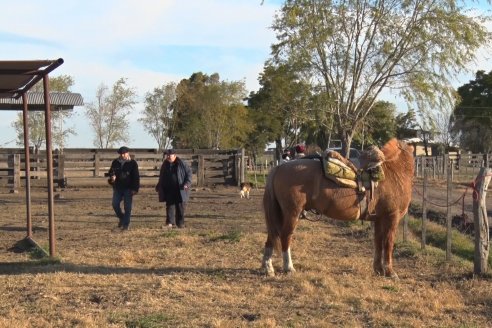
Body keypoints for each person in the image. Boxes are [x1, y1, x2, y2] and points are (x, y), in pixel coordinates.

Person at [155, 149, 192, 229]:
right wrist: (159, 185)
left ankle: (180, 224)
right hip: (169, 188)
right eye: (167, 155)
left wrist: (187, 183)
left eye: (169, 155)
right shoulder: (165, 164)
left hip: (180, 188)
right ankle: (170, 223)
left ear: (174, 155)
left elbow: (189, 173)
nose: (168, 156)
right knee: (169, 206)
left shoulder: (181, 163)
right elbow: (162, 175)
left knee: (180, 206)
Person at [108, 146, 140, 230]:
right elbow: (111, 172)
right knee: (115, 204)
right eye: (121, 153)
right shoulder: (115, 162)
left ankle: (126, 225)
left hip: (128, 188)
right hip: (117, 187)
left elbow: (136, 177)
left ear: (128, 153)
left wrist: (135, 189)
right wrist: (112, 177)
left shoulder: (133, 163)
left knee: (127, 207)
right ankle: (122, 218)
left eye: (124, 153)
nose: (122, 155)